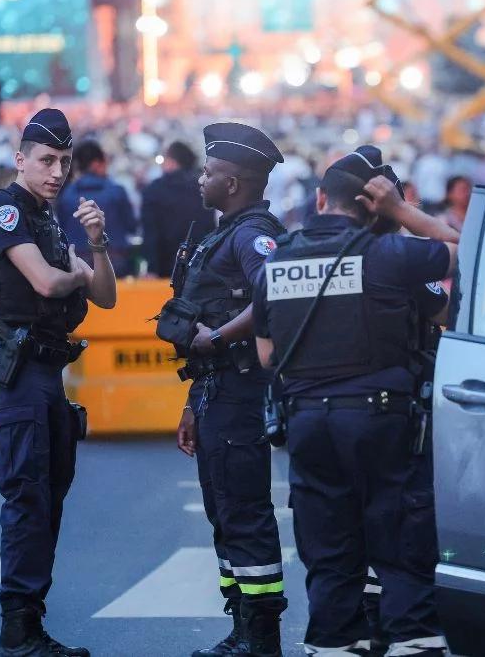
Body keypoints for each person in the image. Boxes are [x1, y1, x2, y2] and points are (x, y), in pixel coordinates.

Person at [252, 147, 458, 656]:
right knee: (400, 538)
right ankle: (412, 636)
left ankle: (333, 641)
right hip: (380, 416)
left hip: (306, 423)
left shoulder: (276, 259)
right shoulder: (388, 253)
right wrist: (403, 212)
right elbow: (463, 247)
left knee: (328, 546)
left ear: (320, 199)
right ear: (374, 207)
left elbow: (266, 355)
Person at [0, 108, 117, 657]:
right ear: (20, 159)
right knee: (28, 496)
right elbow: (50, 282)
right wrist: (77, 270)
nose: (57, 171)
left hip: (48, 374)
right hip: (19, 371)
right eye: (47, 160)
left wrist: (96, 243)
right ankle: (18, 633)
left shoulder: (49, 220)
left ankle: (31, 627)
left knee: (49, 497)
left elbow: (106, 296)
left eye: (64, 162)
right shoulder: (4, 211)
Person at [161, 122, 289, 657]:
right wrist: (192, 403)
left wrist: (217, 336)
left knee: (244, 511)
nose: (201, 179)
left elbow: (275, 293)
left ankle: (261, 640)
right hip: (215, 392)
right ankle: (240, 628)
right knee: (224, 510)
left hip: (240, 393)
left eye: (210, 172)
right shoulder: (220, 230)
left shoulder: (251, 234)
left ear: (234, 182)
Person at [57, 140, 136, 276]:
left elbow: (62, 229)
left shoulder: (66, 194)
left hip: (78, 263)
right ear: (96, 164)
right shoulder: (117, 191)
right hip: (116, 261)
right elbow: (131, 226)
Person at [140, 141, 215, 279]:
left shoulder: (154, 189)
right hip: (199, 265)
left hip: (164, 267)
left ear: (172, 162)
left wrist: (151, 268)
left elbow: (150, 233)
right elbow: (210, 228)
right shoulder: (203, 187)